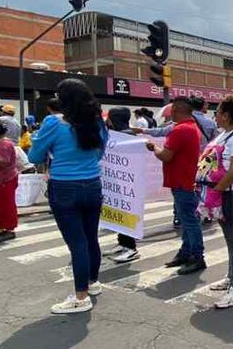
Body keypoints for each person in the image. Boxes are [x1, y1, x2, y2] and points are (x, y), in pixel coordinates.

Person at [28, 78, 109, 315]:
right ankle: (92, 282)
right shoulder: (98, 123)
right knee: (90, 238)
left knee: (77, 243)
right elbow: (99, 154)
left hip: (64, 187)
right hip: (92, 184)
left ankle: (80, 297)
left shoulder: (54, 122)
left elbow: (34, 157)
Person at [198, 96, 233, 309]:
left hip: (232, 192)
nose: (215, 116)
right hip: (221, 191)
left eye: (218, 112)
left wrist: (216, 191)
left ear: (227, 115)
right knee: (229, 238)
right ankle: (231, 277)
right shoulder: (224, 134)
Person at [148, 97, 206, 275]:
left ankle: (197, 256)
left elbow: (166, 156)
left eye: (172, 111)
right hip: (186, 180)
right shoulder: (192, 127)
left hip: (183, 182)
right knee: (188, 219)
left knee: (189, 220)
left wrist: (153, 147)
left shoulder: (180, 130)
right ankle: (186, 252)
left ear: (175, 111)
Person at [106, 107, 140, 263]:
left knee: (126, 215)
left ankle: (130, 248)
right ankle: (123, 243)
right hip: (120, 182)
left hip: (126, 184)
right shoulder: (124, 133)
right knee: (120, 215)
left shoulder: (123, 136)